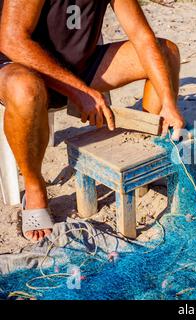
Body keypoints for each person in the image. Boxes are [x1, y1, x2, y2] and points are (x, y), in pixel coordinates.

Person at [0, 0, 185, 241]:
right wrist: (80, 92)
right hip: (23, 67)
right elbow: (11, 40)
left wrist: (169, 101)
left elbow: (141, 36)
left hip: (81, 66)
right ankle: (35, 187)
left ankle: (143, 154)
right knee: (26, 90)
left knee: (166, 52)